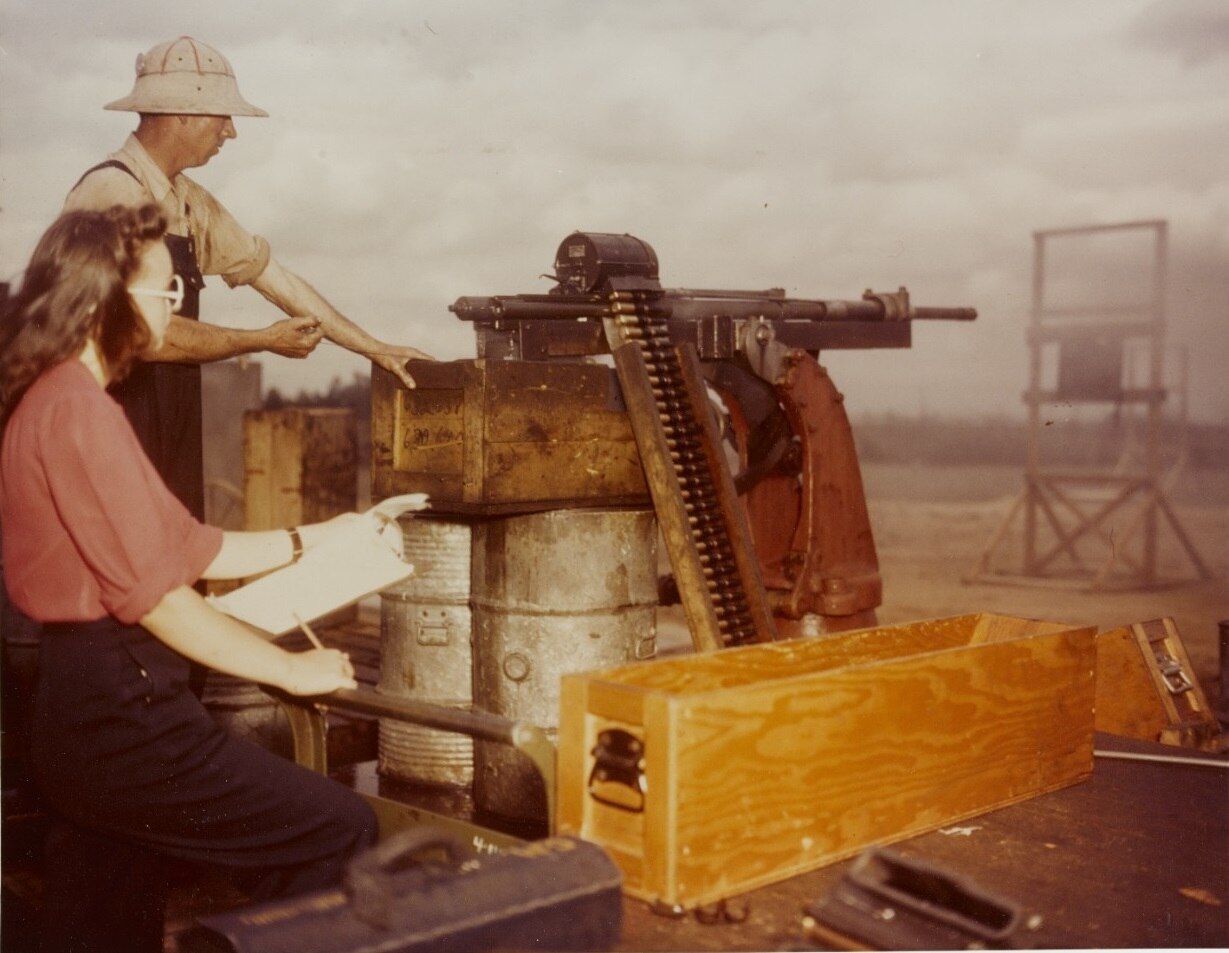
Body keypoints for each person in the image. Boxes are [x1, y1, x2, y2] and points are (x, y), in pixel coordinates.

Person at [0, 203, 380, 953]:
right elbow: (163, 604)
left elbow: (192, 548)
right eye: (165, 291)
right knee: (337, 828)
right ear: (107, 296)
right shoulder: (80, 414)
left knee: (101, 916)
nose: (174, 309)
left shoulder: (55, 401)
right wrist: (291, 670)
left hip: (77, 711)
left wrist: (318, 537)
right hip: (123, 710)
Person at [64, 35, 433, 519]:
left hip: (168, 425)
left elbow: (276, 279)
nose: (231, 133)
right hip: (109, 425)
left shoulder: (187, 201)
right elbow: (144, 335)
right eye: (224, 117)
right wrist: (259, 340)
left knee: (179, 564)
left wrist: (374, 348)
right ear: (184, 114)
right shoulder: (112, 192)